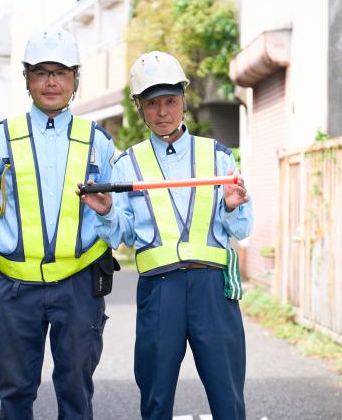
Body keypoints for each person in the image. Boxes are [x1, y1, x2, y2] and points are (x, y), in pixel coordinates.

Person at [80, 51, 253, 420]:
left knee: (228, 399)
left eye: (170, 101)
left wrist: (233, 207)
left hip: (213, 291)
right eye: (152, 103)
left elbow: (242, 229)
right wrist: (108, 212)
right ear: (139, 107)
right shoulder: (127, 165)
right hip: (159, 292)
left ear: (184, 100)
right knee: (156, 400)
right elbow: (121, 236)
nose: (163, 112)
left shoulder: (219, 156)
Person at [0, 27, 117, 419]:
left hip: (78, 286)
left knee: (75, 392)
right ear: (27, 79)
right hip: (16, 289)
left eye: (61, 72)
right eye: (41, 72)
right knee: (16, 393)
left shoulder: (98, 141)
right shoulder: (0, 139)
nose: (51, 81)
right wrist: (13, 251)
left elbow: (115, 213)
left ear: (75, 79)